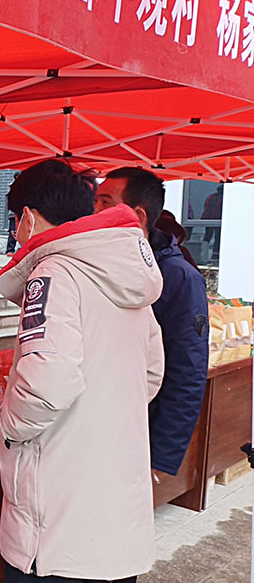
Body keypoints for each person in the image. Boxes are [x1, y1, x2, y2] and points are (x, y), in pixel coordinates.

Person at [0, 159, 164, 582]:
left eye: (16, 221)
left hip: (60, 530)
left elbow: (48, 383)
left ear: (27, 217)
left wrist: (9, 426)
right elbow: (151, 371)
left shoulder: (54, 270)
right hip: (116, 526)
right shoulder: (123, 271)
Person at [96, 168, 209, 478]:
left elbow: (188, 371)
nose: (95, 211)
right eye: (95, 201)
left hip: (138, 428)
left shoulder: (179, 277)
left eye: (105, 202)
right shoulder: (98, 264)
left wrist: (160, 455)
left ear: (137, 215)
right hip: (95, 422)